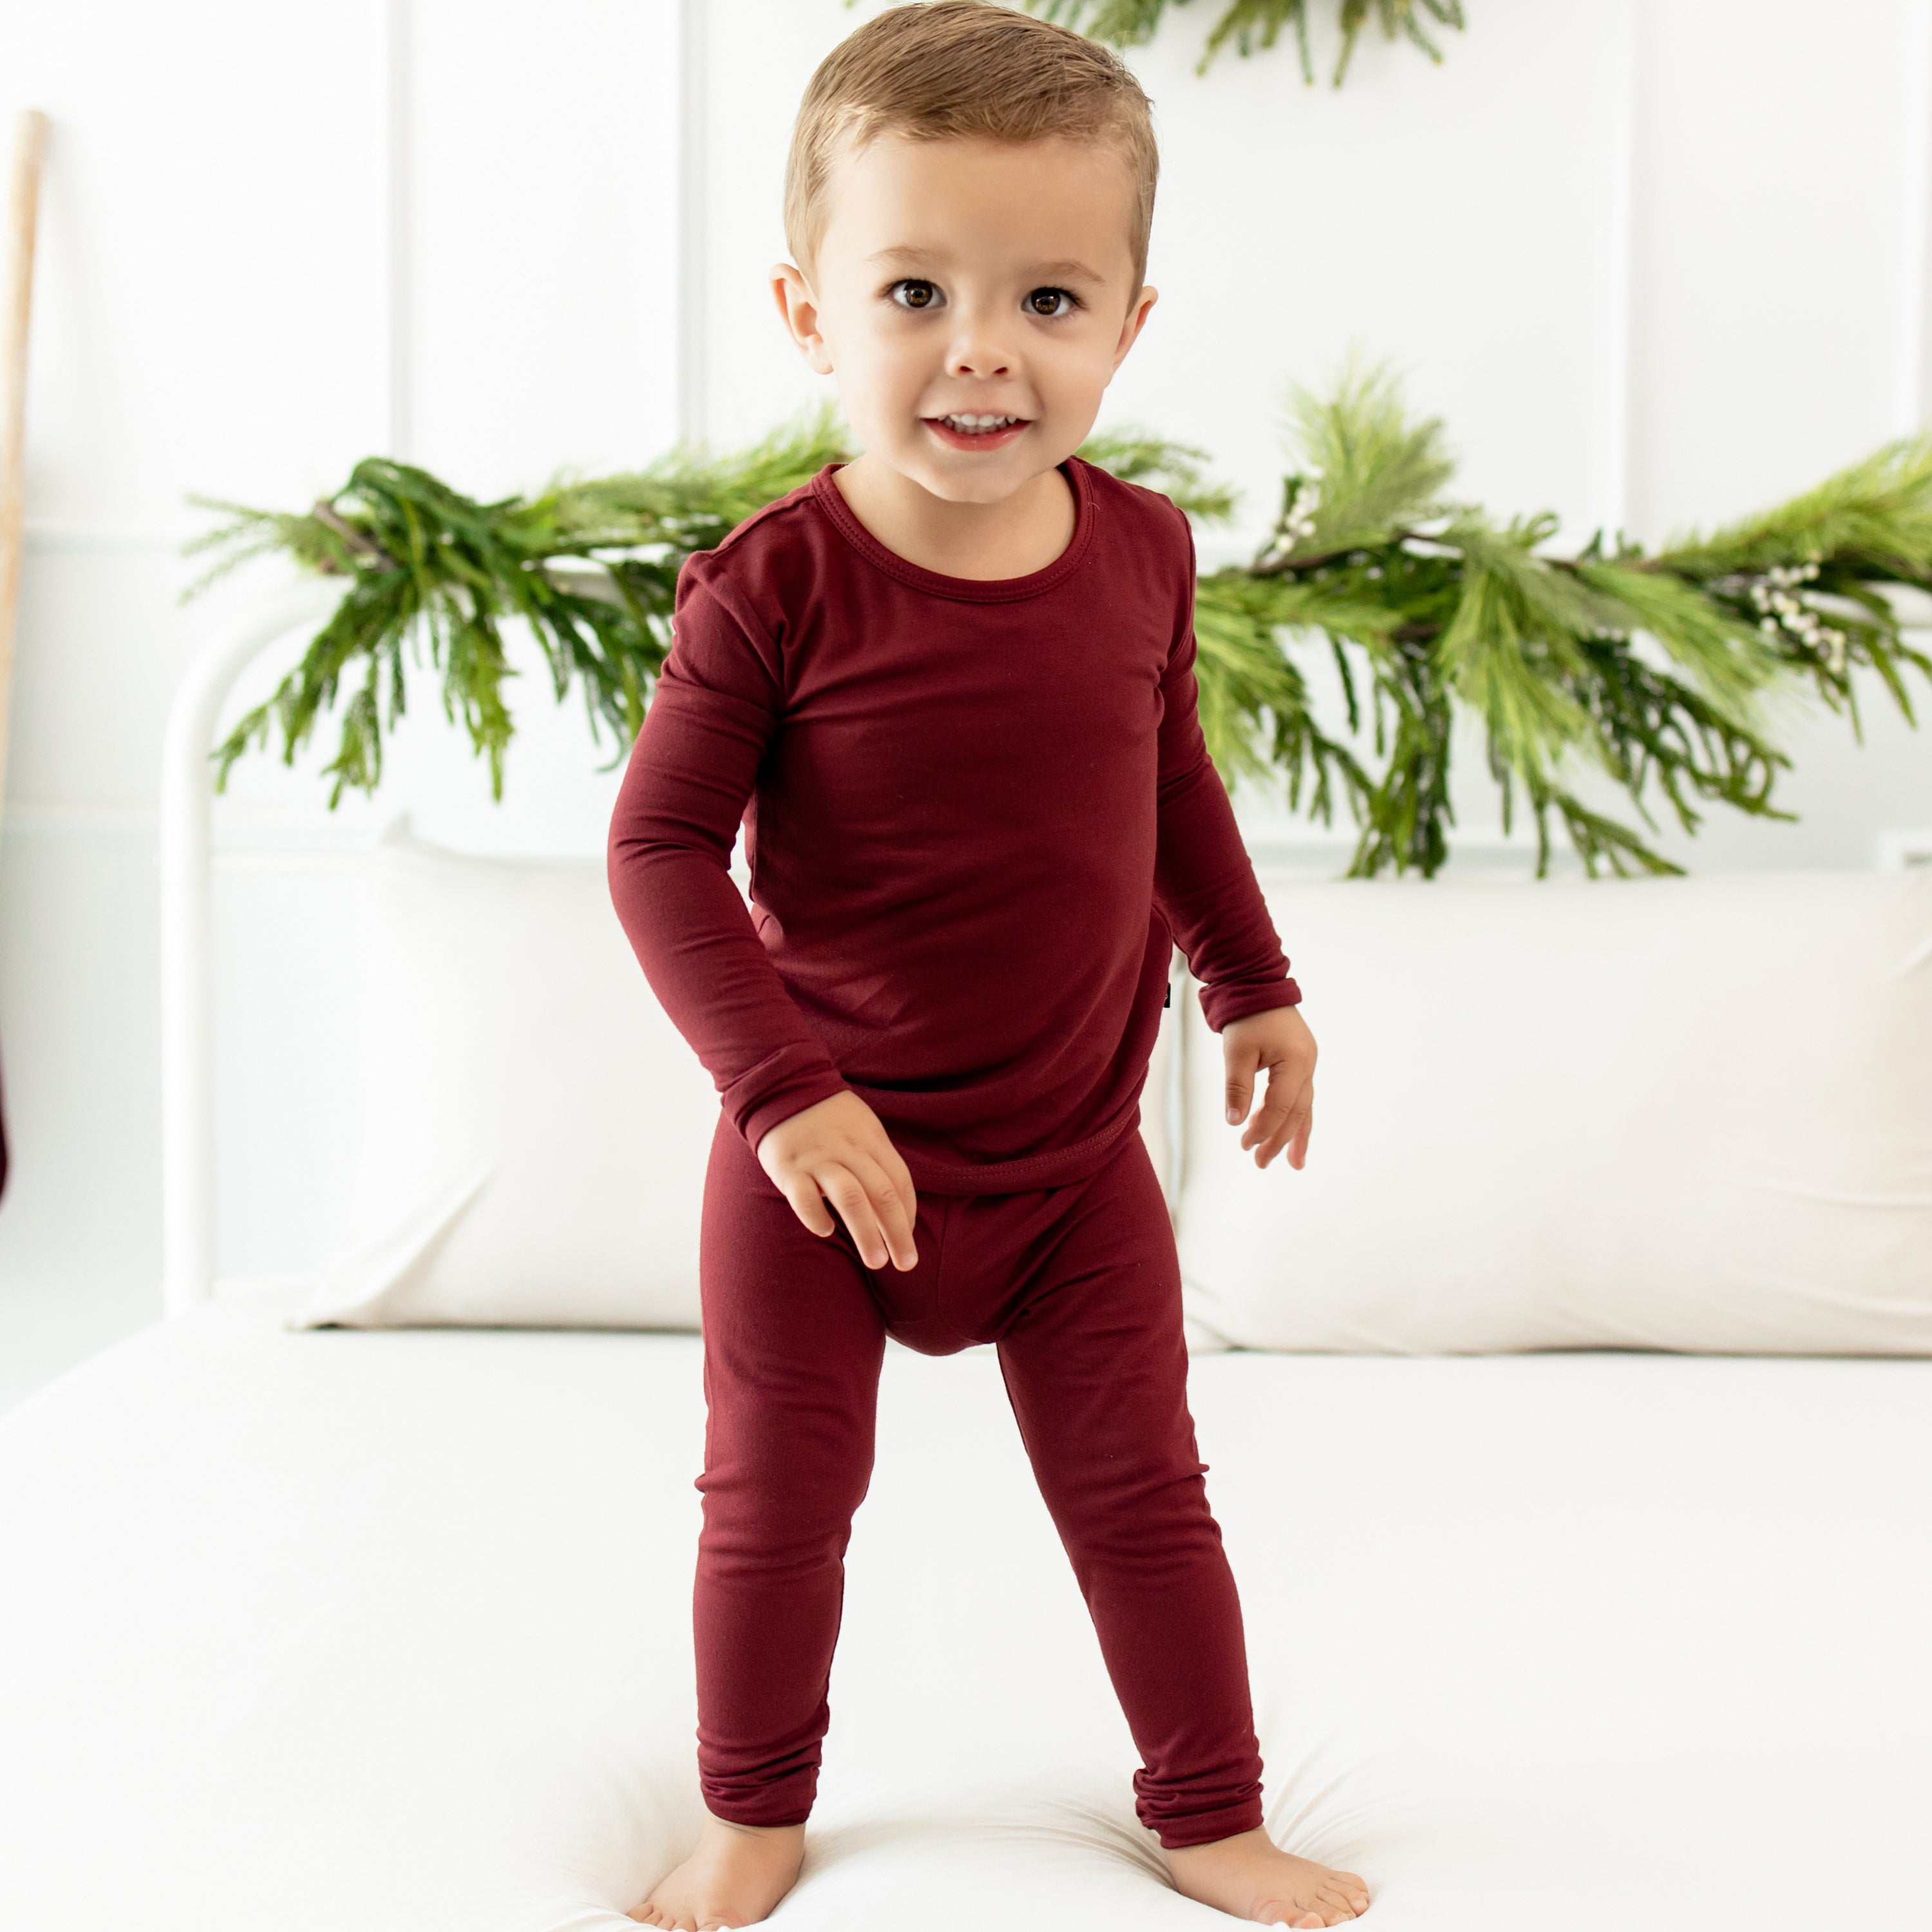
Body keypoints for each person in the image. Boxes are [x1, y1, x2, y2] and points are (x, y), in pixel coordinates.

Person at [608, 5, 1363, 1926]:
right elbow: (660, 851)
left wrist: (1250, 979)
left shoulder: (1144, 554)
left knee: (1146, 1496)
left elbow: (1166, 775)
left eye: (1047, 298)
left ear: (1128, 323)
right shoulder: (772, 588)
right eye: (918, 288)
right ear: (809, 315)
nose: (981, 351)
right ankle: (753, 1815)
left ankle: (1211, 1813)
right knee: (777, 1502)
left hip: (1067, 1171)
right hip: (823, 1169)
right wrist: (784, 1090)